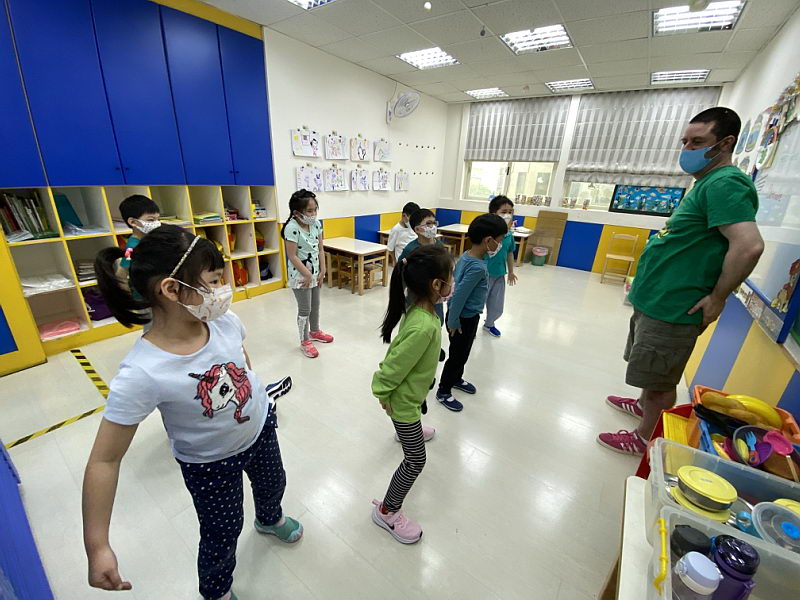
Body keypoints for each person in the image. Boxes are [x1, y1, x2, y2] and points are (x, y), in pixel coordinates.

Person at [85, 226, 300, 600]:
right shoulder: (143, 372)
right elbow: (104, 461)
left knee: (273, 483)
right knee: (222, 531)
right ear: (171, 289)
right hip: (210, 463)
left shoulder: (223, 321)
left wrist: (255, 398)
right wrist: (97, 545)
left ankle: (269, 518)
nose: (224, 289)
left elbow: (241, 360)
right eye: (214, 281)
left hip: (259, 430)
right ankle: (217, 590)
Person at [598, 107, 764, 455]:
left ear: (725, 143)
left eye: (698, 142)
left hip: (675, 305)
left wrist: (718, 297)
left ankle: (645, 438)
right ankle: (643, 405)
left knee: (661, 378)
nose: (687, 149)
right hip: (657, 299)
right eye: (685, 141)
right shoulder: (706, 183)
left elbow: (749, 246)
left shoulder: (725, 183)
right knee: (650, 369)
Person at [371, 244, 454, 544]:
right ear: (436, 285)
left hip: (411, 398)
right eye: (450, 277)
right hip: (404, 403)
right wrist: (383, 394)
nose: (453, 282)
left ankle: (409, 429)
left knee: (412, 432)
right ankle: (387, 511)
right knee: (416, 460)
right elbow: (393, 365)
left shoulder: (422, 311)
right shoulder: (422, 326)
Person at [436, 214, 508, 412]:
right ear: (488, 240)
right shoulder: (477, 267)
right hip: (464, 319)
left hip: (461, 315)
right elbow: (459, 295)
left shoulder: (467, 255)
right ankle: (443, 391)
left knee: (462, 353)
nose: (500, 245)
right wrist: (453, 321)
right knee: (457, 356)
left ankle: (456, 379)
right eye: (500, 241)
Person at [281, 189, 333, 358]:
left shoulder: (316, 224)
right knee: (305, 309)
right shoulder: (291, 228)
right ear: (297, 213)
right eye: (309, 211)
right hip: (301, 276)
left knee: (315, 305)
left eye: (315, 209)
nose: (313, 214)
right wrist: (307, 275)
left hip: (315, 273)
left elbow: (320, 248)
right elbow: (292, 256)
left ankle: (315, 331)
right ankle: (304, 341)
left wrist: (323, 269)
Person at [483, 195, 519, 337]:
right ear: (493, 213)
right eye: (504, 212)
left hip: (499, 274)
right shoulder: (486, 234)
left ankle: (489, 324)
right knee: (477, 302)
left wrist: (511, 271)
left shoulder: (509, 236)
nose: (507, 215)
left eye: (510, 212)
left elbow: (509, 254)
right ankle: (469, 325)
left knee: (497, 304)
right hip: (483, 274)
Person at [118, 194, 161, 271]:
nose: (157, 223)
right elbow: (123, 270)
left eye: (158, 219)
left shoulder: (151, 238)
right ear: (133, 222)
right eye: (151, 220)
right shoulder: (132, 247)